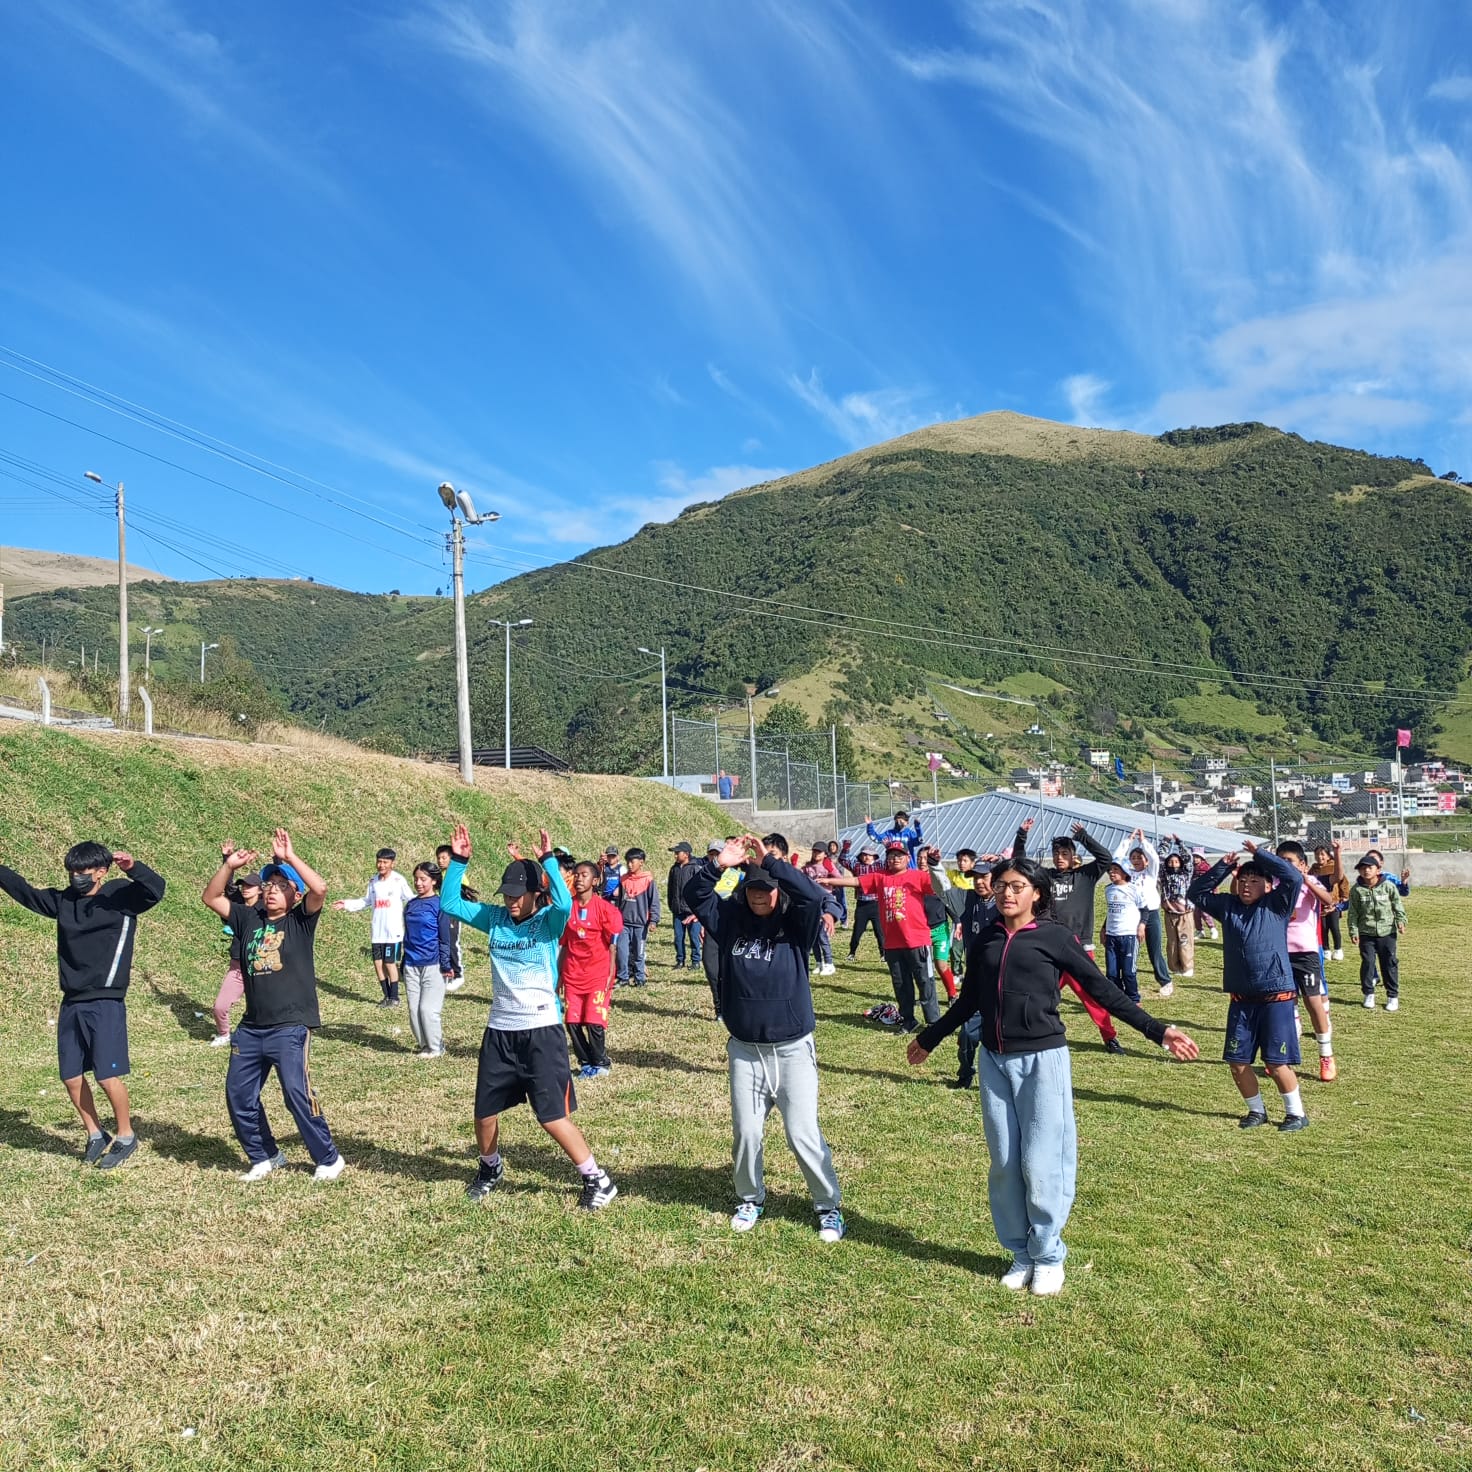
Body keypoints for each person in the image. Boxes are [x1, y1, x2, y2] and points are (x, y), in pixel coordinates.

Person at [907, 857, 1198, 1295]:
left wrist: (1157, 1031)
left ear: (1036, 893)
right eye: (1002, 885)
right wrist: (930, 1038)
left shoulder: (1055, 938)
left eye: (1018, 886)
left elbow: (1103, 990)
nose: (1007, 893)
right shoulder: (986, 940)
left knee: (1041, 1161)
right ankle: (1020, 1252)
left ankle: (1047, 1254)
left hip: (1043, 1060)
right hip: (994, 1060)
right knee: (1005, 1162)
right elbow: (969, 1002)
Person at [441, 823, 617, 1210]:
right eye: (506, 895)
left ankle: (597, 1179)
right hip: (501, 1029)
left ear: (535, 895)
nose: (510, 902)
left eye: (518, 895)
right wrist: (459, 861)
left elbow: (566, 905)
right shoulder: (495, 919)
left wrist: (548, 862)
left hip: (541, 1030)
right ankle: (490, 1167)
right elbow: (450, 904)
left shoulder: (548, 922)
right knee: (484, 1112)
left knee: (551, 1116)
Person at [684, 835, 845, 1242]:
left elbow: (810, 896)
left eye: (766, 890)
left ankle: (828, 1206)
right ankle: (750, 1198)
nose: (759, 896)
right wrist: (721, 863)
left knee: (802, 1133)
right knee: (747, 1132)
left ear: (777, 891)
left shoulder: (796, 925)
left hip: (791, 1049)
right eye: (753, 889)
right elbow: (694, 893)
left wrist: (771, 862)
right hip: (745, 1051)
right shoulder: (729, 921)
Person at [0, 840, 166, 1168]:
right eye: (72, 871)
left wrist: (133, 867)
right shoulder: (64, 902)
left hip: (106, 1000)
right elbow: (24, 891)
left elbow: (156, 889)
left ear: (101, 872)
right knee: (71, 1076)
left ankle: (126, 1135)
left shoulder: (121, 896)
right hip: (72, 1001)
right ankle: (94, 1133)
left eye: (83, 871)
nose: (77, 877)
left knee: (107, 1076)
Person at [203, 830, 346, 1181]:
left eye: (281, 886)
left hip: (290, 1025)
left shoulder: (300, 920)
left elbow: (321, 889)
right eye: (269, 885)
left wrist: (291, 857)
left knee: (296, 1094)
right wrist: (228, 865)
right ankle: (265, 1156)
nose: (271, 890)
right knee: (238, 1095)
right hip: (252, 1028)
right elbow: (211, 896)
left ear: (294, 895)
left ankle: (328, 1158)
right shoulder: (248, 919)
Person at [1187, 841, 1310, 1131]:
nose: (1246, 886)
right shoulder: (1228, 908)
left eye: (1255, 881)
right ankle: (1256, 1111)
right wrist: (1223, 868)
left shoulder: (1277, 905)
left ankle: (1296, 1114)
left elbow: (1293, 877)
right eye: (1242, 880)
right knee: (1237, 1061)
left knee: (1276, 1062)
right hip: (1242, 999)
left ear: (1268, 886)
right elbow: (1196, 893)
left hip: (1276, 996)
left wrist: (1260, 856)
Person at [1014, 821, 1126, 1053]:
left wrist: (1083, 836)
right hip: (1049, 948)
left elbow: (1105, 858)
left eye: (1064, 853)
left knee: (1093, 996)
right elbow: (1020, 864)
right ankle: (1025, 1032)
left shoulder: (1084, 875)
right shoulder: (1044, 877)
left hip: (1080, 949)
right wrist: (1022, 835)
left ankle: (1110, 1038)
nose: (1059, 857)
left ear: (1073, 855)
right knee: (1036, 993)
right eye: (1056, 853)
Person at [820, 841, 940, 1031]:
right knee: (901, 985)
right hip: (892, 943)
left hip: (917, 941)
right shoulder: (880, 878)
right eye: (891, 855)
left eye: (899, 855)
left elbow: (939, 885)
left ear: (908, 858)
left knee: (925, 982)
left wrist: (935, 865)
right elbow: (857, 881)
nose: (895, 858)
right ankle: (908, 1020)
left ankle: (933, 1022)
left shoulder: (917, 876)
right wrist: (830, 881)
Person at [1276, 840, 1339, 1081]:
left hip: (1306, 953)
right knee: (1284, 1003)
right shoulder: (1275, 885)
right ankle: (1285, 1057)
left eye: (1289, 861)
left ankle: (1326, 1054)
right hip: (1280, 952)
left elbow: (1328, 900)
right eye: (1280, 861)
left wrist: (1304, 880)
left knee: (1313, 1002)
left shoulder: (1309, 882)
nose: (1284, 865)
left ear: (1302, 864)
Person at [560, 860, 622, 1078]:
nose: (578, 878)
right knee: (572, 1021)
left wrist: (610, 974)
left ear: (595, 881)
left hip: (597, 975)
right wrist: (559, 978)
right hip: (573, 975)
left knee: (594, 1021)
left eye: (584, 875)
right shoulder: (567, 908)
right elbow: (565, 946)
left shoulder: (606, 910)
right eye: (576, 874)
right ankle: (585, 1062)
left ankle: (601, 1062)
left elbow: (613, 947)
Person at [332, 847, 414, 1007]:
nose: (381, 865)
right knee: (378, 963)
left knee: (389, 963)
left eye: (385, 862)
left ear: (392, 863)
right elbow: (366, 901)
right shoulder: (373, 881)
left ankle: (395, 997)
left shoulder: (399, 880)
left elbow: (411, 899)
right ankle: (386, 995)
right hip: (377, 932)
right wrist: (346, 904)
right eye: (379, 861)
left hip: (393, 932)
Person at [402, 861, 456, 1059]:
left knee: (427, 1009)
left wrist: (446, 965)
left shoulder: (439, 905)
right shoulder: (411, 905)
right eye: (416, 879)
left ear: (433, 881)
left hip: (433, 964)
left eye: (423, 879)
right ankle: (424, 1045)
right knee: (414, 1011)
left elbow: (445, 938)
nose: (418, 883)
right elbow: (407, 935)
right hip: (411, 964)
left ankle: (436, 1047)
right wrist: (403, 963)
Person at [210, 851, 262, 1046]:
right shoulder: (238, 909)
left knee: (263, 1007)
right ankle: (224, 1034)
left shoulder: (267, 909)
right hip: (238, 967)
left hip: (259, 967)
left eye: (250, 885)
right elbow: (226, 889)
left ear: (261, 890)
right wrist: (227, 862)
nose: (246, 889)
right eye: (244, 885)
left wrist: (278, 860)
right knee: (219, 1007)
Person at [1115, 828, 1172, 993]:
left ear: (1146, 861)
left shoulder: (1150, 873)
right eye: (1133, 857)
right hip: (1132, 915)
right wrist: (1128, 841)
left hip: (1151, 914)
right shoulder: (1128, 875)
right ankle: (1127, 982)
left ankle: (1165, 981)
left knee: (1154, 949)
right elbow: (1117, 859)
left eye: (1139, 857)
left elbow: (1154, 857)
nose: (1136, 860)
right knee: (1130, 950)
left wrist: (1143, 842)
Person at [1347, 854, 1407, 1010]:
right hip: (1366, 933)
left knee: (1389, 963)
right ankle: (1369, 993)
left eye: (1369, 867)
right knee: (1368, 963)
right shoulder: (1356, 890)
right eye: (1362, 868)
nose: (1366, 871)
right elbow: (1353, 913)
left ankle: (1392, 996)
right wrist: (1353, 931)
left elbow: (1397, 904)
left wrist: (1401, 921)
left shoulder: (1388, 886)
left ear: (1378, 869)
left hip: (1387, 931)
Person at [1100, 861, 1144, 1004]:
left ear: (1125, 872)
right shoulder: (1108, 890)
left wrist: (1142, 926)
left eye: (1115, 870)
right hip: (1112, 935)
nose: (1111, 873)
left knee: (1128, 972)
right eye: (1110, 870)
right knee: (1112, 973)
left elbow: (1145, 909)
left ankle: (1134, 999)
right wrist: (1104, 928)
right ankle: (1118, 999)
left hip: (1129, 935)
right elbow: (1111, 912)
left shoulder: (1134, 889)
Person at [436, 842, 475, 991]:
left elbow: (464, 892)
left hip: (453, 914)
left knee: (452, 943)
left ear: (451, 859)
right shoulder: (441, 875)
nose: (440, 861)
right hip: (441, 914)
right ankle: (446, 973)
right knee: (442, 942)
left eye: (444, 858)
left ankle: (458, 975)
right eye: (438, 858)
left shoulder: (457, 874)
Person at [803, 842, 840, 977]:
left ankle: (829, 963)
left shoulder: (828, 866)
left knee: (822, 935)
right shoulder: (808, 867)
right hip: (812, 900)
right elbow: (799, 879)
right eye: (814, 851)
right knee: (813, 935)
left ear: (825, 854)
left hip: (826, 900)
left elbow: (839, 879)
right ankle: (819, 963)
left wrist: (829, 877)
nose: (816, 854)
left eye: (819, 852)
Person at [1159, 845, 1194, 984]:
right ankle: (1174, 967)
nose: (1173, 864)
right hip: (1169, 912)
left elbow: (1189, 859)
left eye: (1176, 862)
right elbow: (1159, 859)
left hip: (1185, 912)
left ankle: (1188, 967)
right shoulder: (1164, 875)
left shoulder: (1185, 874)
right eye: (1170, 862)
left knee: (1185, 940)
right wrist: (1166, 843)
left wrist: (1180, 843)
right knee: (1172, 941)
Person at [844, 844, 885, 960]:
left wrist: (888, 846)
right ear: (860, 856)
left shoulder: (880, 866)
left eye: (870, 855)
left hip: (876, 903)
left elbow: (891, 861)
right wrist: (846, 848)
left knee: (879, 931)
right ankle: (852, 952)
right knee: (858, 930)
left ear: (874, 856)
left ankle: (883, 954)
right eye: (864, 855)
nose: (867, 857)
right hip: (862, 904)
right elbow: (843, 860)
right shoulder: (857, 866)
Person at [666, 843, 702, 971]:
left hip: (692, 911)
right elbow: (670, 888)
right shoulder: (674, 869)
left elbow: (700, 889)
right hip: (677, 910)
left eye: (677, 853)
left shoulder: (695, 869)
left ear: (686, 854)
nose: (675, 855)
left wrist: (698, 909)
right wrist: (671, 904)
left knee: (694, 936)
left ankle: (696, 961)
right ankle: (680, 960)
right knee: (678, 937)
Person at [1310, 844, 1350, 961]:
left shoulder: (1334, 867)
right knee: (1323, 927)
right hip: (1319, 903)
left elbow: (1343, 882)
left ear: (1328, 856)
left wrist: (1344, 897)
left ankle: (1338, 949)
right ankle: (1326, 949)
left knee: (1334, 927)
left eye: (1322, 854)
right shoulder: (1314, 870)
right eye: (1317, 854)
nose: (1319, 857)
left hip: (1333, 902)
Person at [1190, 849, 1219, 941]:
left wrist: (1214, 890)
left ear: (1202, 858)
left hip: (1205, 892)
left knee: (1204, 912)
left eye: (1197, 857)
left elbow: (1213, 880)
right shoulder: (1192, 868)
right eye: (1194, 857)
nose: (1195, 859)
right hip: (1195, 893)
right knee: (1196, 913)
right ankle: (1199, 930)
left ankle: (1212, 929)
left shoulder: (1206, 867)